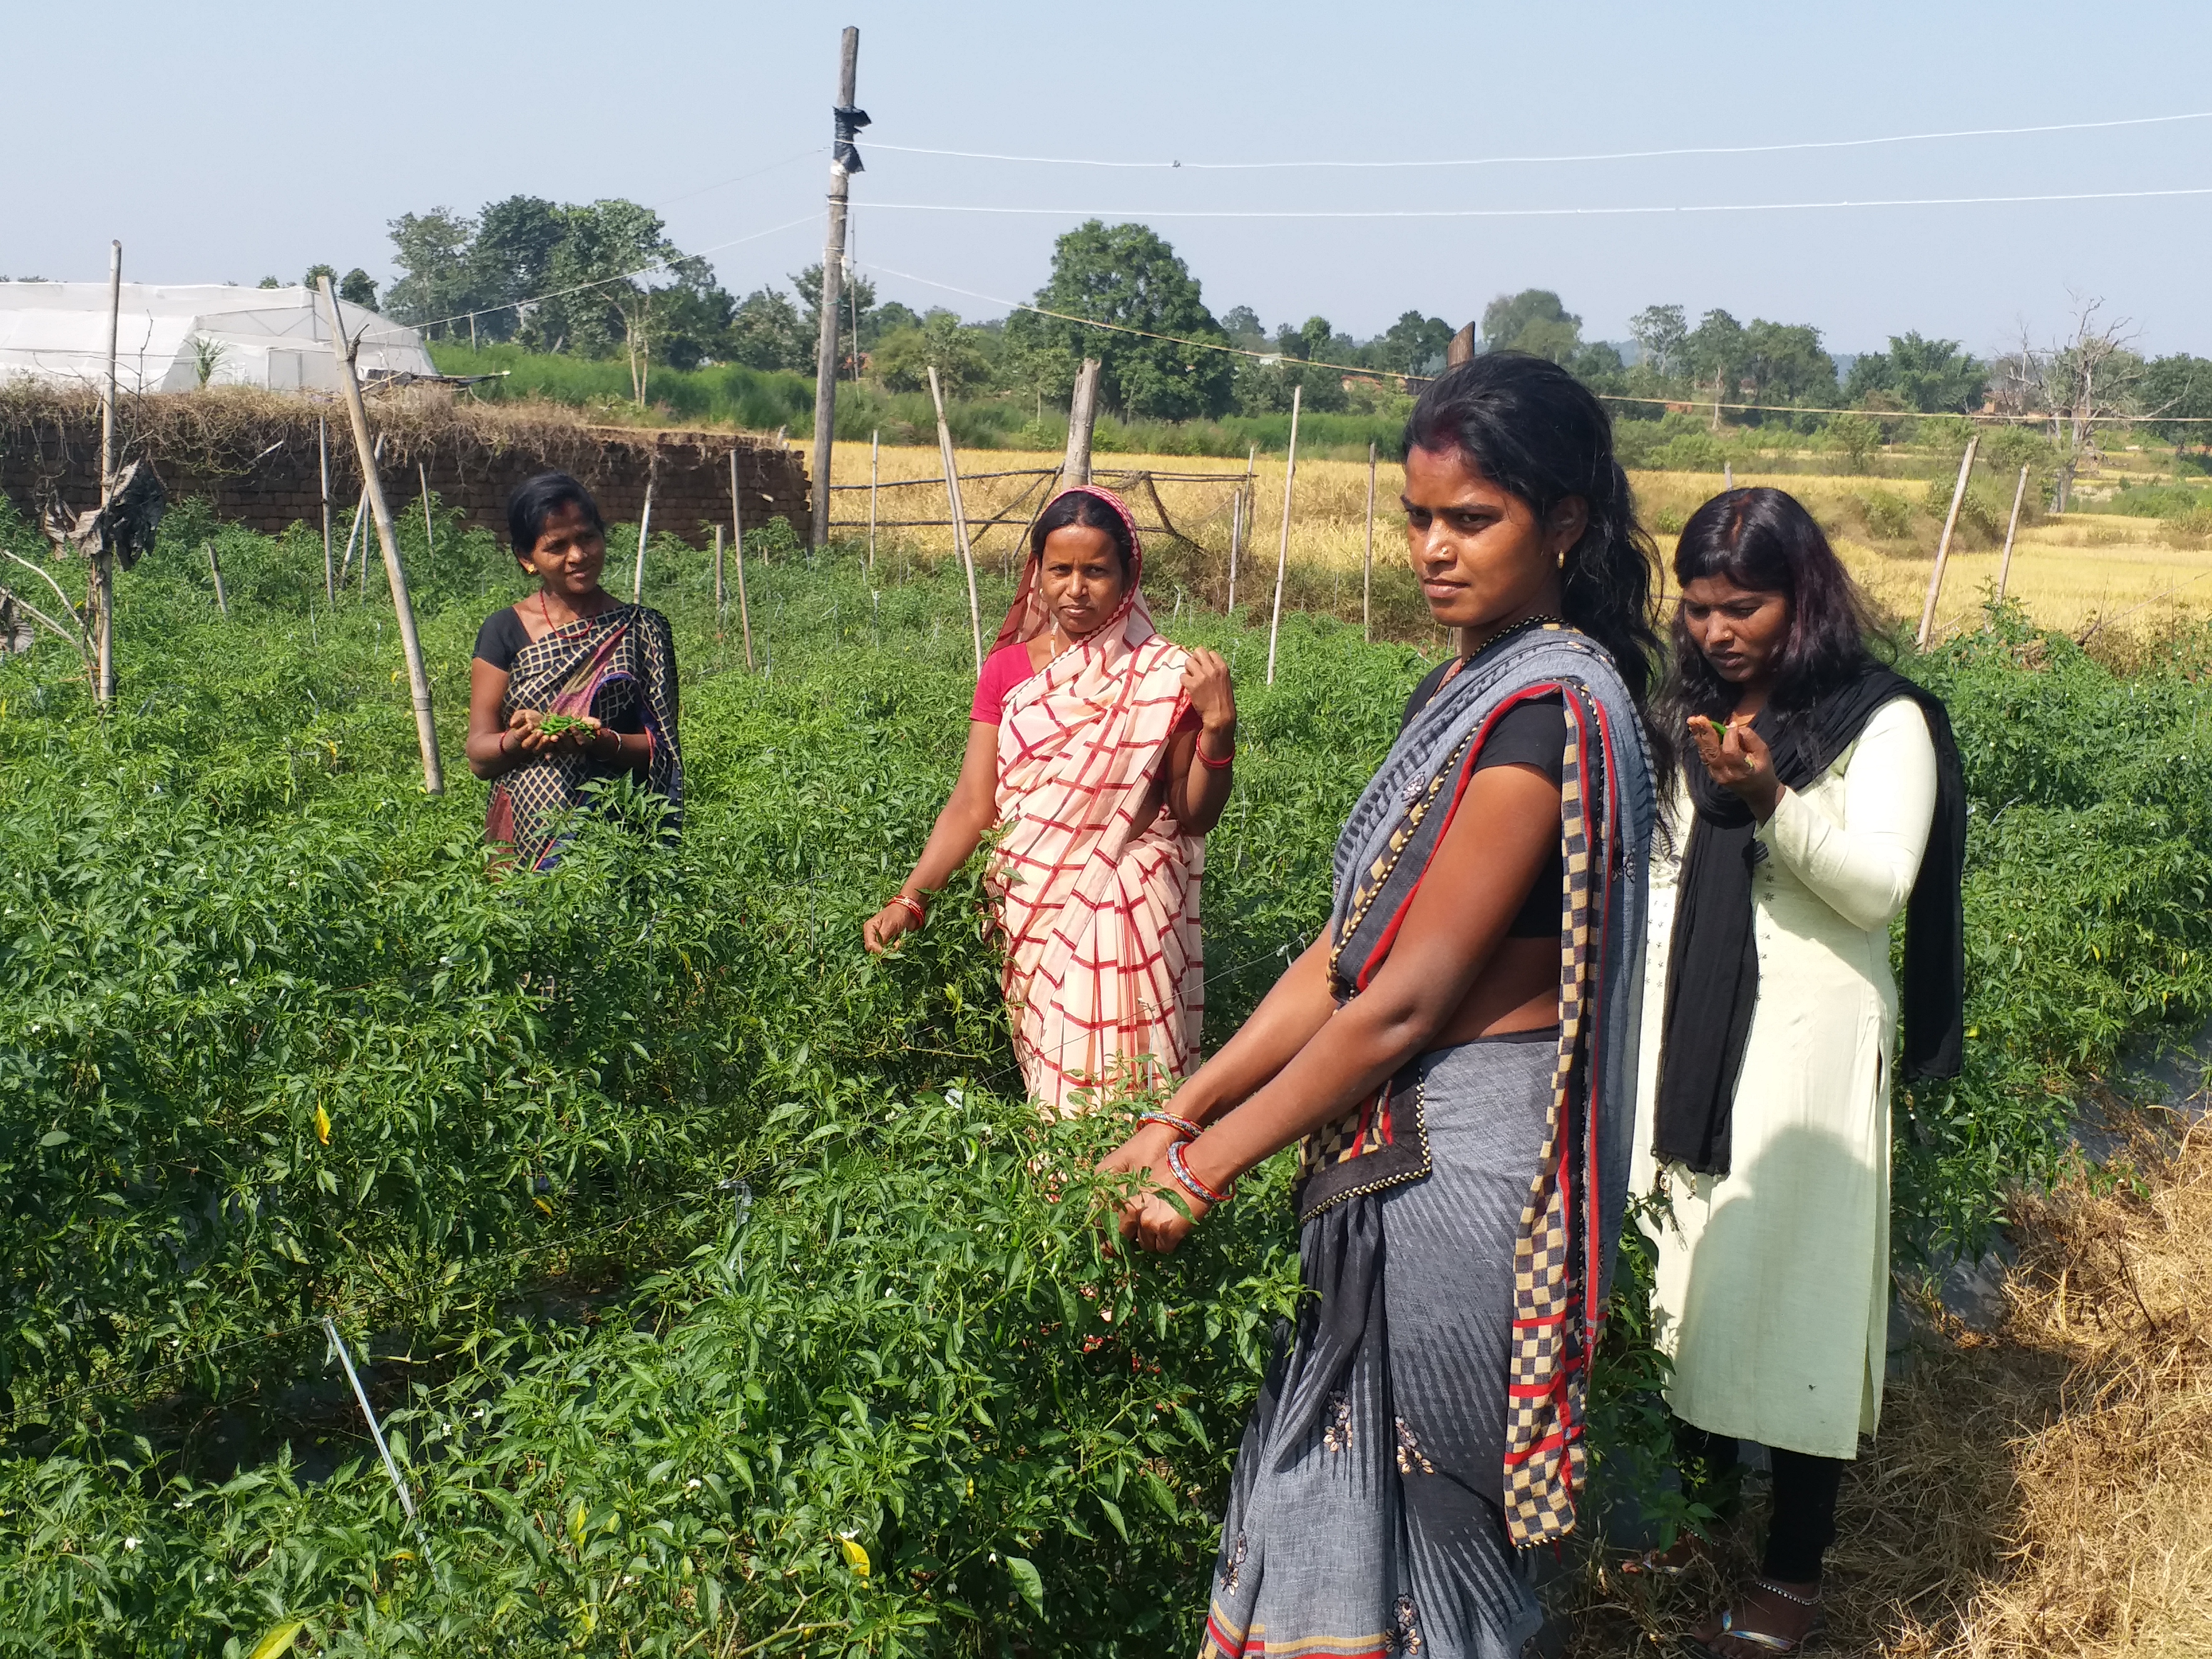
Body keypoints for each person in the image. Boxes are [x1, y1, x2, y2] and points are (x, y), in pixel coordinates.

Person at [1102, 354, 1661, 1659]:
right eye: (1418, 517)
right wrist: (1180, 1113)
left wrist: (1207, 1168)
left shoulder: (1543, 719)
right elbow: (1340, 958)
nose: (1433, 549)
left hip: (1464, 1182)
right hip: (1391, 1158)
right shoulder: (1470, 694)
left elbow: (1403, 1006)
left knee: (1437, 1544)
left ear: (1565, 522)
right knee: (1359, 1517)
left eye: (1473, 520)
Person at [1624, 488, 1965, 1656]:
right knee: (1688, 1268)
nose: (1717, 629)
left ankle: (1793, 1567)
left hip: (1808, 1043)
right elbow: (1667, 871)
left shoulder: (1881, 721)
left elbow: (1876, 888)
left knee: (1796, 1289)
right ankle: (1694, 1514)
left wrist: (1771, 796)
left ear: (1801, 596)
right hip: (1692, 1031)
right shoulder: (1688, 708)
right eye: (1701, 605)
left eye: (1745, 607)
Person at [862, 485, 1236, 1116]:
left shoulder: (1164, 677)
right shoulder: (1007, 672)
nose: (1076, 588)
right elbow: (972, 804)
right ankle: (1068, 1208)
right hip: (1031, 901)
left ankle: (1133, 1202)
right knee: (1055, 1085)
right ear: (1037, 572)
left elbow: (1193, 814)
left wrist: (1219, 728)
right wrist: (912, 897)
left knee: (1128, 1083)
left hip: (1129, 900)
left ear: (1128, 575)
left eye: (1096, 571)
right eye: (1059, 570)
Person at [466, 471, 683, 870]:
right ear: (526, 558)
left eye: (587, 537)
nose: (578, 555)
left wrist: (598, 739)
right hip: (525, 837)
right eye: (557, 546)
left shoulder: (642, 629)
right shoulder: (503, 630)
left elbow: (662, 752)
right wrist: (520, 739)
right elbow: (479, 756)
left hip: (615, 838)